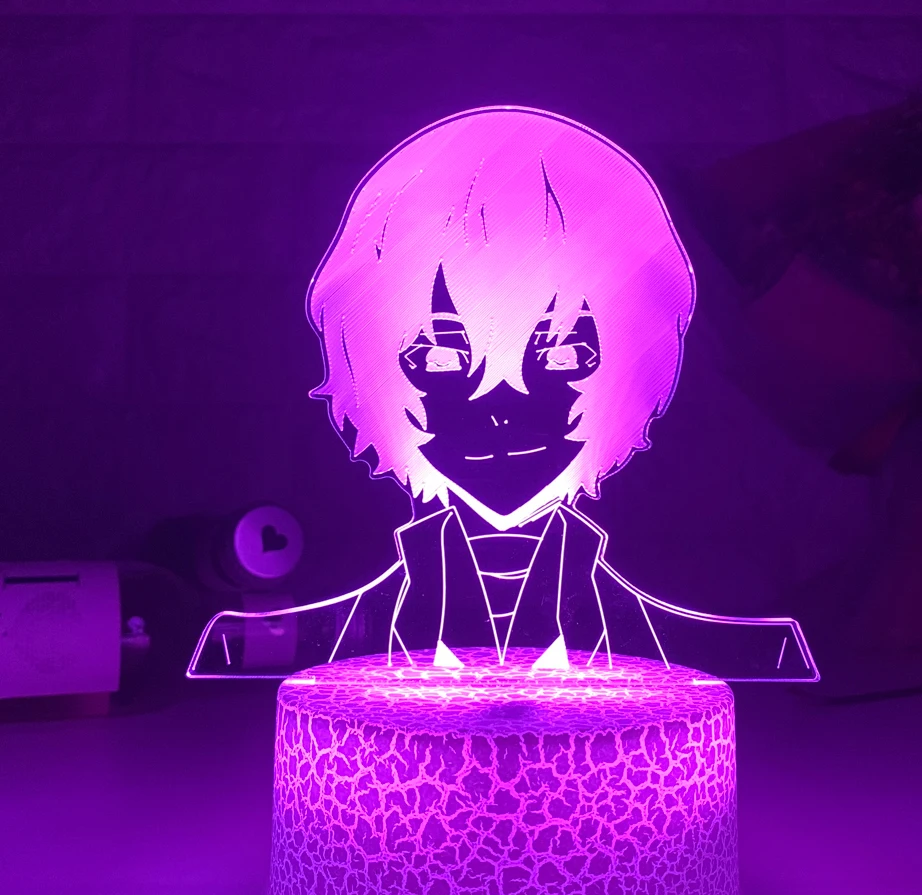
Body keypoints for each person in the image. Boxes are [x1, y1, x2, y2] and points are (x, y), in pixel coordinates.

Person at [188, 107, 817, 682]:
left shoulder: (702, 648)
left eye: (563, 355)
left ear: (640, 357)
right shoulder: (326, 638)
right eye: (439, 358)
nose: (499, 409)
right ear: (363, 359)